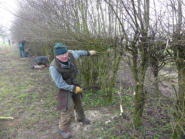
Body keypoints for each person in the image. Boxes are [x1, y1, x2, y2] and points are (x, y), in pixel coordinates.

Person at [49, 43, 96, 139]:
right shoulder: (53, 67)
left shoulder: (71, 54)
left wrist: (88, 53)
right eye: (61, 55)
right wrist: (73, 88)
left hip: (74, 83)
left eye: (65, 53)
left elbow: (79, 52)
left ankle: (80, 118)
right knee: (67, 108)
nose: (65, 56)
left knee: (78, 102)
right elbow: (60, 84)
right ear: (56, 56)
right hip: (64, 87)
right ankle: (63, 129)